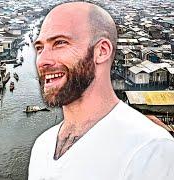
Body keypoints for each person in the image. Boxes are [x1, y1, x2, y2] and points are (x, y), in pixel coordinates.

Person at [29, 2, 174, 180]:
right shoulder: (42, 146)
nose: (42, 60)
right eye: (39, 48)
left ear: (101, 51)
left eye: (60, 43)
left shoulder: (150, 150)